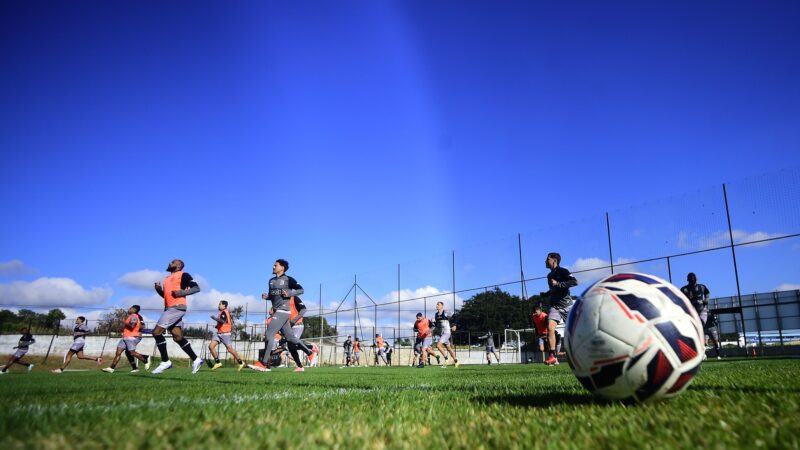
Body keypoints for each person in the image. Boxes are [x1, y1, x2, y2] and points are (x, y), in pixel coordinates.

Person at [250, 259, 313, 372]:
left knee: (269, 334)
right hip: (278, 312)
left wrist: (289, 293)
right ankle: (310, 352)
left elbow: (301, 290)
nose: (273, 267)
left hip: (283, 311)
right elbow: (272, 296)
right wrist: (267, 297)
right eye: (273, 265)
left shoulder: (289, 279)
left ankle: (263, 364)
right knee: (291, 338)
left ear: (282, 268)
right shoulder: (271, 281)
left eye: (275, 265)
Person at [151, 259, 204, 374]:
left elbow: (196, 288)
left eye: (173, 262)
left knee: (156, 332)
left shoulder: (183, 275)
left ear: (179, 266)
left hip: (177, 308)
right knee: (178, 337)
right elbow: (167, 297)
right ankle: (196, 359)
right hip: (169, 308)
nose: (170, 263)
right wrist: (159, 291)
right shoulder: (166, 279)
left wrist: (180, 293)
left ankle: (165, 361)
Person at [543, 252, 578, 366]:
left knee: (575, 331)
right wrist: (546, 294)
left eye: (547, 259)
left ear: (554, 260)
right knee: (550, 327)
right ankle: (552, 356)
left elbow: (574, 282)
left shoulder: (563, 271)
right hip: (555, 306)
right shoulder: (549, 276)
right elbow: (554, 289)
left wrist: (558, 284)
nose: (545, 261)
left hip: (567, 306)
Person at [102, 305, 151, 373]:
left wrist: (125, 322)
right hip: (125, 337)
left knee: (132, 353)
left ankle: (145, 361)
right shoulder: (131, 316)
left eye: (130, 308)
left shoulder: (134, 316)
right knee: (118, 352)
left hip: (131, 337)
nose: (128, 309)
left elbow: (132, 325)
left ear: (133, 309)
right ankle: (111, 368)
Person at [209, 300, 246, 371]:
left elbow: (223, 321)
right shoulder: (222, 312)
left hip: (225, 334)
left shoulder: (224, 312)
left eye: (220, 304)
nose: (218, 305)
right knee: (211, 346)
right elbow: (223, 322)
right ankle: (218, 362)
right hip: (219, 333)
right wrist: (217, 326)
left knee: (230, 349)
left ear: (224, 306)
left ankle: (241, 362)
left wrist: (214, 318)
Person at [434, 301, 459, 368]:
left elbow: (455, 316)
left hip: (447, 332)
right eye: (436, 304)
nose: (437, 305)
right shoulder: (436, 314)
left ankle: (446, 360)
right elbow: (437, 324)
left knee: (438, 345)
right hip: (442, 334)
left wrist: (454, 325)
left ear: (442, 306)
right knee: (449, 348)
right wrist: (434, 322)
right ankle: (456, 361)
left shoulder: (445, 312)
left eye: (438, 304)